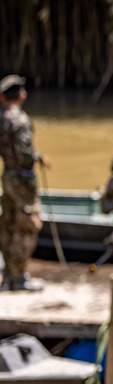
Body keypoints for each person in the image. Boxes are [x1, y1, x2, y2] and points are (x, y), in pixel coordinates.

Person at [0, 75, 49, 292]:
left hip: (7, 175)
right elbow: (23, 154)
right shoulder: (20, 120)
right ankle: (18, 278)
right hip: (21, 179)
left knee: (8, 224)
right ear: (22, 95)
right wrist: (36, 158)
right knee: (28, 226)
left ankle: (9, 274)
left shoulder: (1, 117)